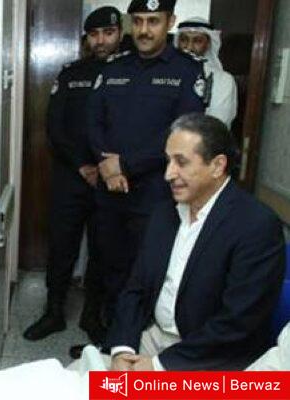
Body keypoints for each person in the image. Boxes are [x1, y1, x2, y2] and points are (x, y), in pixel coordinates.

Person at [105, 113, 284, 371]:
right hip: (155, 338)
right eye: (168, 161)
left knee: (110, 389)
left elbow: (237, 323)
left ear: (217, 166)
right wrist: (123, 349)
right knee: (77, 380)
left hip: (213, 360)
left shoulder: (256, 226)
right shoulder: (163, 213)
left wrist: (157, 366)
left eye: (181, 162)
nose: (168, 174)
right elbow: (136, 288)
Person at [86, 0, 207, 341]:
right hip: (111, 191)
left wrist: (124, 164)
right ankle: (112, 343)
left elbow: (183, 131)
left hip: (157, 194)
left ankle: (136, 343)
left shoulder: (187, 71)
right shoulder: (114, 67)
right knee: (109, 266)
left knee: (147, 272)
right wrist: (107, 166)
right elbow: (93, 121)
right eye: (137, 21)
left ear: (170, 22)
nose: (143, 30)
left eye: (153, 21)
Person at [23, 6, 123, 343]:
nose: (101, 41)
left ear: (119, 34)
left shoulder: (129, 72)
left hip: (112, 179)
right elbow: (55, 126)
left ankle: (92, 315)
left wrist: (106, 167)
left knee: (103, 249)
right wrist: (83, 165)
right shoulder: (71, 73)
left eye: (108, 33)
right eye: (94, 34)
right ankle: (53, 312)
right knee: (61, 246)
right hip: (71, 175)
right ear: (86, 38)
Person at [175, 17, 238, 128]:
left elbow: (217, 124)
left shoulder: (223, 80)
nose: (189, 47)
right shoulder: (164, 73)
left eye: (197, 41)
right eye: (184, 40)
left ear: (208, 44)